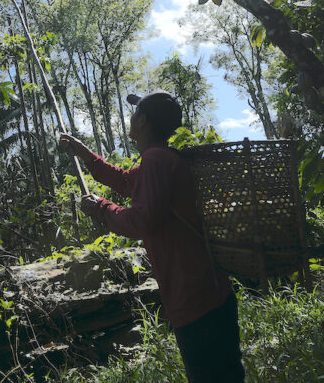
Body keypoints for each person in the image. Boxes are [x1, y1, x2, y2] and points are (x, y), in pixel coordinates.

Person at [60, 90, 245, 383]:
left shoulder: (157, 160)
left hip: (196, 300)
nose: (131, 118)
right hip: (206, 295)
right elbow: (123, 180)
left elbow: (142, 222)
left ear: (142, 120)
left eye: (135, 113)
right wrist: (84, 152)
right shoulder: (162, 159)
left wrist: (101, 209)